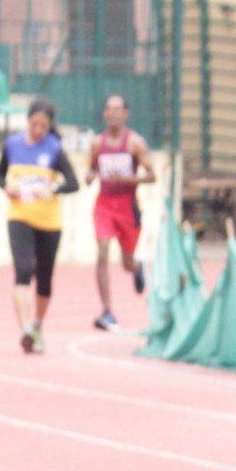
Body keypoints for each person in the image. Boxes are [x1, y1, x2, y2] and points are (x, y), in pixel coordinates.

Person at [0, 96, 79, 354]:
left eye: (43, 125)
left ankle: (38, 325)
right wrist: (6, 187)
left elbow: (74, 183)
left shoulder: (54, 148)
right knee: (22, 268)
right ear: (28, 120)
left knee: (43, 278)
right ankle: (25, 329)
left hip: (49, 222)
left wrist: (51, 188)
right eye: (34, 123)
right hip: (19, 216)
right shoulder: (12, 145)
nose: (38, 129)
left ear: (49, 125)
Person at [86, 92, 156, 327]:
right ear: (105, 113)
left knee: (126, 262)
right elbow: (92, 169)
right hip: (104, 205)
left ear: (125, 114)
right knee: (103, 251)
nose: (114, 114)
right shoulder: (97, 143)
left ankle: (137, 268)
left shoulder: (135, 143)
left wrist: (127, 178)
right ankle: (107, 311)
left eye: (118, 109)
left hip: (128, 206)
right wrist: (90, 175)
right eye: (109, 109)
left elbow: (152, 175)